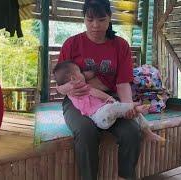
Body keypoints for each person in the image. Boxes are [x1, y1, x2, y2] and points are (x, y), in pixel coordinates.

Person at [56, 0, 142, 179]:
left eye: (102, 20)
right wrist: (69, 88)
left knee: (132, 131)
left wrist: (127, 108)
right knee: (86, 131)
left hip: (108, 100)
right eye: (90, 20)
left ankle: (125, 177)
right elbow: (60, 86)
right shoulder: (72, 44)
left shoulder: (120, 45)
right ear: (84, 19)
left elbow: (122, 84)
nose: (95, 25)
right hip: (77, 101)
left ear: (110, 19)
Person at [53, 61, 165, 141]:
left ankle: (147, 132)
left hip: (105, 116)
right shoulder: (80, 86)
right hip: (99, 116)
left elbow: (63, 84)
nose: (83, 74)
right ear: (73, 78)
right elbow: (95, 92)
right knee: (113, 108)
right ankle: (133, 106)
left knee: (133, 114)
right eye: (80, 72)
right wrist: (109, 98)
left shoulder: (71, 88)